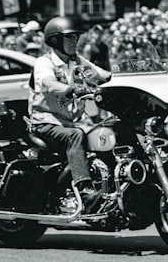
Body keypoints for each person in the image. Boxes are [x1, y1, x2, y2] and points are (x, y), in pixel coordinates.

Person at [28, 16, 112, 206]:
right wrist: (69, 88)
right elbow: (48, 83)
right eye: (70, 37)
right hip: (46, 123)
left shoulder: (78, 63)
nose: (75, 41)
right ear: (56, 40)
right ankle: (85, 191)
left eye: (76, 37)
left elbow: (102, 75)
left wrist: (125, 79)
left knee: (106, 134)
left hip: (74, 122)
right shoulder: (45, 62)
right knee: (75, 136)